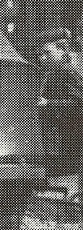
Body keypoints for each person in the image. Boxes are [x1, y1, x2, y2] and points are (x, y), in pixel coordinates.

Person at [37, 28, 82, 197]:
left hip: (68, 140)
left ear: (62, 49)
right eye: (40, 54)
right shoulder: (54, 73)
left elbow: (79, 103)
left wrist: (48, 103)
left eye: (47, 53)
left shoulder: (67, 71)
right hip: (58, 138)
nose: (42, 58)